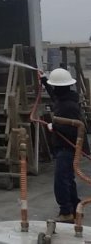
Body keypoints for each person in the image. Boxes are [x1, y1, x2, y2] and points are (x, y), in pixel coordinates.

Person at [43, 67, 86, 222]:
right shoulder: (65, 99)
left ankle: (66, 212)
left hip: (68, 148)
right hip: (65, 147)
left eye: (54, 86)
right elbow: (55, 97)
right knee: (68, 179)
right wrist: (43, 80)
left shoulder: (69, 106)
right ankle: (74, 208)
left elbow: (76, 130)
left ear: (59, 87)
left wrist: (55, 126)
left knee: (61, 180)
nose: (53, 89)